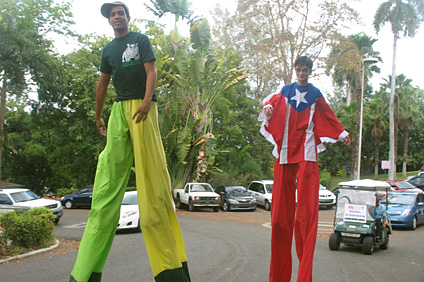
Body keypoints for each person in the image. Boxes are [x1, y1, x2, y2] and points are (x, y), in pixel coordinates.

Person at [69, 2, 191, 281]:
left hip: (142, 108)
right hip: (118, 109)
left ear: (127, 17)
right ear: (109, 21)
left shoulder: (140, 40)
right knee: (107, 181)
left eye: (120, 13)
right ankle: (84, 273)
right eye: (112, 14)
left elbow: (151, 72)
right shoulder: (108, 50)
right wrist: (98, 116)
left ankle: (171, 271)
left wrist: (148, 102)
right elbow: (102, 84)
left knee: (152, 180)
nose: (116, 17)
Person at [258, 56, 351, 282]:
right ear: (295, 70)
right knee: (280, 216)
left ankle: (304, 277)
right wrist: (268, 109)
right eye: (298, 69)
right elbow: (269, 104)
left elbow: (327, 115)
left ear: (310, 71)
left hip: (307, 154)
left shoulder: (316, 94)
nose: (301, 73)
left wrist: (341, 133)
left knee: (307, 217)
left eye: (305, 70)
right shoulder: (286, 90)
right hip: (286, 154)